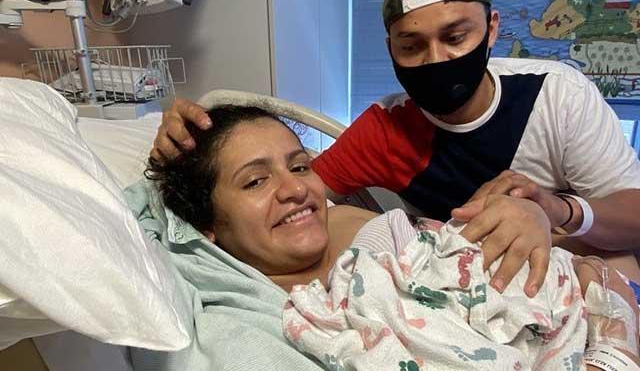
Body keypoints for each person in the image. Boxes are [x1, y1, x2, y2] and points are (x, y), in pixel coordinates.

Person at [150, 0, 640, 297]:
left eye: (455, 36)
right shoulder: (385, 130)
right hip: (473, 286)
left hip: (578, 263)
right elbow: (287, 194)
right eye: (411, 46)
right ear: (390, 51)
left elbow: (633, 218)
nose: (436, 59)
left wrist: (556, 211)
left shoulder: (555, 94)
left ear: (491, 30)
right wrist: (186, 148)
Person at [144, 104, 640, 370]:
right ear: (205, 223)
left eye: (301, 165)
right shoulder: (260, 316)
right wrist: (164, 158)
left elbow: (586, 273)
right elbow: (128, 216)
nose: (295, 187)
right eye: (255, 181)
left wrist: (542, 211)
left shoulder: (556, 96)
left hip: (578, 291)